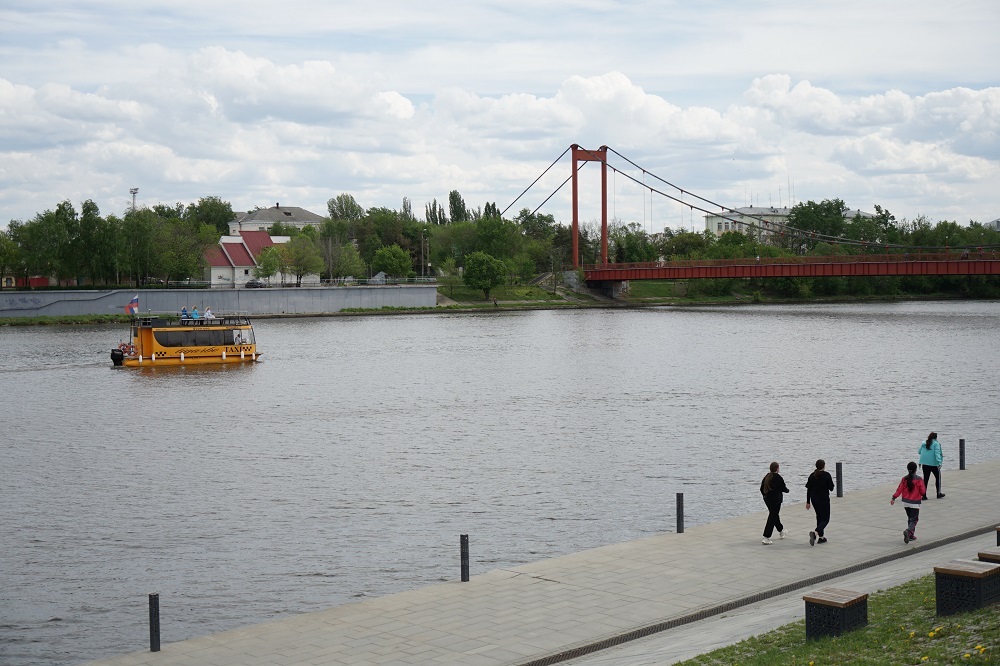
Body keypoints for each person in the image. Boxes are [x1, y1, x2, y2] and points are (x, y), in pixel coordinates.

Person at [891, 461, 927, 544]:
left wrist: (893, 498)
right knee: (914, 520)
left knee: (910, 518)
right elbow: (923, 492)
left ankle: (911, 536)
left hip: (905, 502)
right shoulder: (919, 479)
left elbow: (899, 489)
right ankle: (908, 531)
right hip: (915, 503)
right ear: (916, 470)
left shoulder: (904, 479)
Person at [805, 459, 835, 546]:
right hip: (823, 499)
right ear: (824, 466)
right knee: (825, 519)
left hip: (814, 499)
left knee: (819, 516)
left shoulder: (812, 476)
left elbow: (809, 489)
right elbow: (831, 488)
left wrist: (808, 502)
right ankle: (815, 533)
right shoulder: (826, 475)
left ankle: (821, 537)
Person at [760, 461, 789, 544]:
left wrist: (765, 496)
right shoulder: (778, 478)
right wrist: (787, 490)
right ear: (777, 468)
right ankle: (766, 537)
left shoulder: (766, 477)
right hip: (776, 500)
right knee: (772, 516)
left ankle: (781, 531)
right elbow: (783, 488)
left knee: (774, 515)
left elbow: (761, 488)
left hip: (767, 500)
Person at [918, 431, 944, 499]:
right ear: (936, 438)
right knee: (938, 478)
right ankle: (938, 494)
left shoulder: (924, 443)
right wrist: (939, 463)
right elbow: (937, 454)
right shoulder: (936, 444)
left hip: (925, 464)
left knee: (925, 479)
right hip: (934, 464)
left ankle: (924, 495)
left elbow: (919, 452)